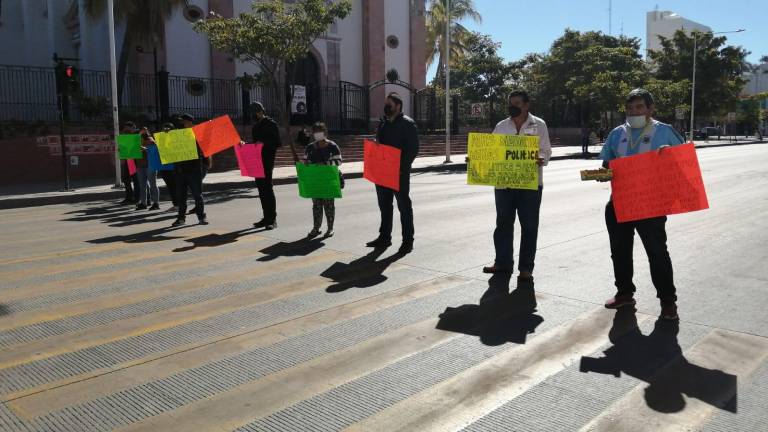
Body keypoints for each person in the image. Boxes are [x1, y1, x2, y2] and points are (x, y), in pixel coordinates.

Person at [599, 88, 685, 321]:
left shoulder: (664, 132)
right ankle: (624, 293)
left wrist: (670, 156)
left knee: (657, 253)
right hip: (619, 202)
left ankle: (668, 302)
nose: (633, 112)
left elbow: (683, 161)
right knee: (620, 251)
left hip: (651, 204)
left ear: (650, 109)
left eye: (639, 107)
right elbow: (607, 162)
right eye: (629, 108)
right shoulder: (617, 134)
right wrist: (603, 172)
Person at [482, 90, 552, 281]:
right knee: (503, 225)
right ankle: (502, 263)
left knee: (529, 227)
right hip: (504, 185)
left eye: (517, 103)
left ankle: (526, 268)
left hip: (530, 185)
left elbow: (546, 150)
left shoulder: (539, 125)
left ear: (527, 105)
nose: (513, 107)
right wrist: (476, 159)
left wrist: (541, 158)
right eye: (510, 103)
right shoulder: (501, 126)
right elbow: (490, 151)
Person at [366, 92, 420, 254]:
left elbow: (413, 149)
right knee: (384, 206)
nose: (386, 107)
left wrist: (401, 167)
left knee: (404, 206)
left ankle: (407, 240)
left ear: (398, 106)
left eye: (389, 105)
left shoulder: (408, 124)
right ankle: (384, 237)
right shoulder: (383, 124)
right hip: (382, 172)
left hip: (399, 173)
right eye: (385, 105)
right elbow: (379, 144)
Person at [303, 122, 342, 238]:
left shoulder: (332, 146)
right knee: (316, 205)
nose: (317, 134)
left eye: (320, 131)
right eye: (315, 132)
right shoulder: (310, 147)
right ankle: (316, 228)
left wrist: (324, 163)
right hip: (315, 181)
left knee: (329, 205)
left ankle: (330, 228)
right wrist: (305, 164)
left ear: (325, 132)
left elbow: (339, 161)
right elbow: (306, 161)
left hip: (328, 181)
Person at [249, 102, 281, 230]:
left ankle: (272, 220)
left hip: (267, 161)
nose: (254, 116)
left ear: (261, 111)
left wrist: (264, 143)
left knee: (267, 189)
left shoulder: (271, 124)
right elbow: (254, 144)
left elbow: (277, 143)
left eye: (255, 113)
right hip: (257, 162)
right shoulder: (255, 127)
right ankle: (266, 217)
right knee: (261, 190)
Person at [171, 113, 208, 226]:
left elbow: (205, 147)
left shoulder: (197, 133)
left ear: (190, 122)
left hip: (194, 169)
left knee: (197, 194)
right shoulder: (178, 134)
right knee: (181, 196)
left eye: (183, 121)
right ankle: (181, 218)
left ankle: (201, 217)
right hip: (180, 170)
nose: (182, 123)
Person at [135, 128, 160, 210]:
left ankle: (156, 203)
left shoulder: (150, 139)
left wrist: (145, 149)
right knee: (142, 185)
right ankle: (143, 203)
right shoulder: (136, 141)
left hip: (150, 165)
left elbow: (155, 151)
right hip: (140, 165)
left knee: (152, 184)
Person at [158, 122, 179, 212]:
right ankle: (176, 204)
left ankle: (178, 204)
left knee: (175, 186)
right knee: (171, 186)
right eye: (164, 129)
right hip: (165, 166)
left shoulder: (176, 138)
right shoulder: (161, 139)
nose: (165, 130)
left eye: (167, 129)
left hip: (173, 167)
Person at [119, 121, 140, 205]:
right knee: (126, 179)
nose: (125, 130)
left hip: (136, 160)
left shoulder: (138, 133)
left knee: (136, 180)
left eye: (127, 128)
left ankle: (136, 198)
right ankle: (129, 197)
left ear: (132, 127)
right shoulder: (125, 135)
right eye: (125, 128)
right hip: (129, 159)